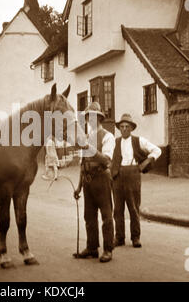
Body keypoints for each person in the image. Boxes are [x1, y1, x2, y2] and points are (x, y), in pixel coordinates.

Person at [73, 102, 115, 263]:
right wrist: (78, 187)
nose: (89, 119)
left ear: (99, 118)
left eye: (93, 116)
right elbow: (82, 164)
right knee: (88, 216)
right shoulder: (85, 137)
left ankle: (108, 249)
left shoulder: (107, 136)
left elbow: (106, 160)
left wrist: (89, 147)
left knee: (106, 215)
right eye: (87, 116)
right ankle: (92, 248)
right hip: (87, 180)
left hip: (101, 178)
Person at [111, 113, 162, 248]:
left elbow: (157, 150)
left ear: (132, 128)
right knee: (118, 209)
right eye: (122, 126)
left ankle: (135, 237)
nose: (124, 129)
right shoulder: (114, 142)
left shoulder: (138, 141)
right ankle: (119, 237)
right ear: (119, 128)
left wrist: (145, 163)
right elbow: (107, 157)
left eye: (127, 126)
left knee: (133, 208)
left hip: (133, 175)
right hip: (117, 176)